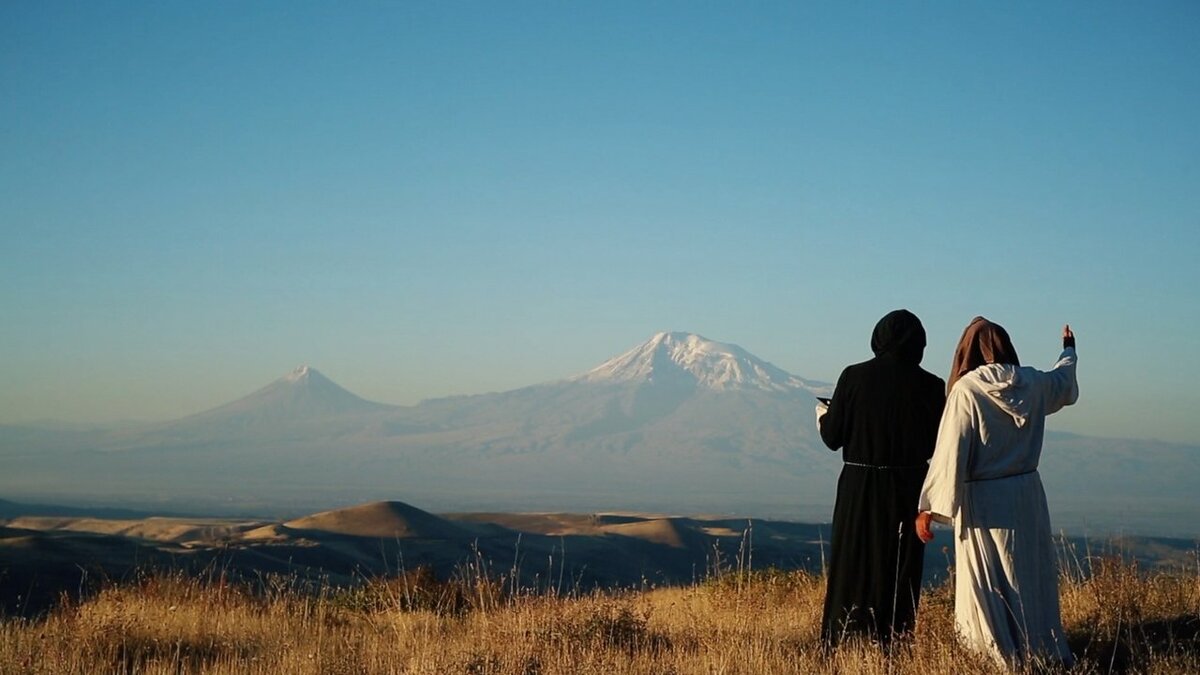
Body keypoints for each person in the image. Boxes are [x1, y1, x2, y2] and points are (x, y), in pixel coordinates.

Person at [916, 318, 1078, 668]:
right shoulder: (1033, 383)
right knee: (1029, 573)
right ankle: (1040, 649)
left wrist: (931, 507)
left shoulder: (966, 390)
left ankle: (993, 655)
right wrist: (1069, 350)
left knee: (986, 579)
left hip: (983, 501)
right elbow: (1063, 383)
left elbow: (950, 451)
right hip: (1026, 494)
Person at [816, 309, 946, 647]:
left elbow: (833, 437)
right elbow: (937, 443)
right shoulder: (932, 385)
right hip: (910, 488)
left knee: (854, 561)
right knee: (900, 564)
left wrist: (824, 416)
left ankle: (845, 637)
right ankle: (895, 638)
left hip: (860, 486)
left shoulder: (854, 377)